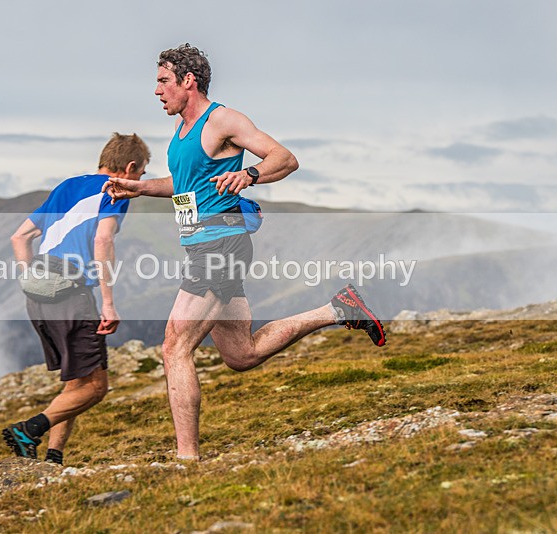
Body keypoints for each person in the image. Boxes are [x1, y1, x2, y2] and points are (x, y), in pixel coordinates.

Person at [103, 44, 386, 460]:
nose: (158, 91)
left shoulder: (223, 120)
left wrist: (250, 174)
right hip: (204, 244)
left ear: (188, 81)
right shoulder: (182, 133)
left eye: (163, 81)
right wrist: (141, 187)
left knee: (173, 347)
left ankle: (187, 460)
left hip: (220, 244)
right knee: (241, 353)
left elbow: (285, 159)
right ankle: (339, 310)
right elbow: (184, 186)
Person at [2, 132, 151, 463]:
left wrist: (31, 278)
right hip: (71, 294)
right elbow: (103, 242)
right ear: (129, 168)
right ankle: (28, 430)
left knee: (75, 381)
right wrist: (109, 303)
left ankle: (54, 455)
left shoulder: (66, 186)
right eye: (141, 174)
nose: (140, 182)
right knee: (96, 387)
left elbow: (20, 236)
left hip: (38, 295)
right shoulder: (115, 191)